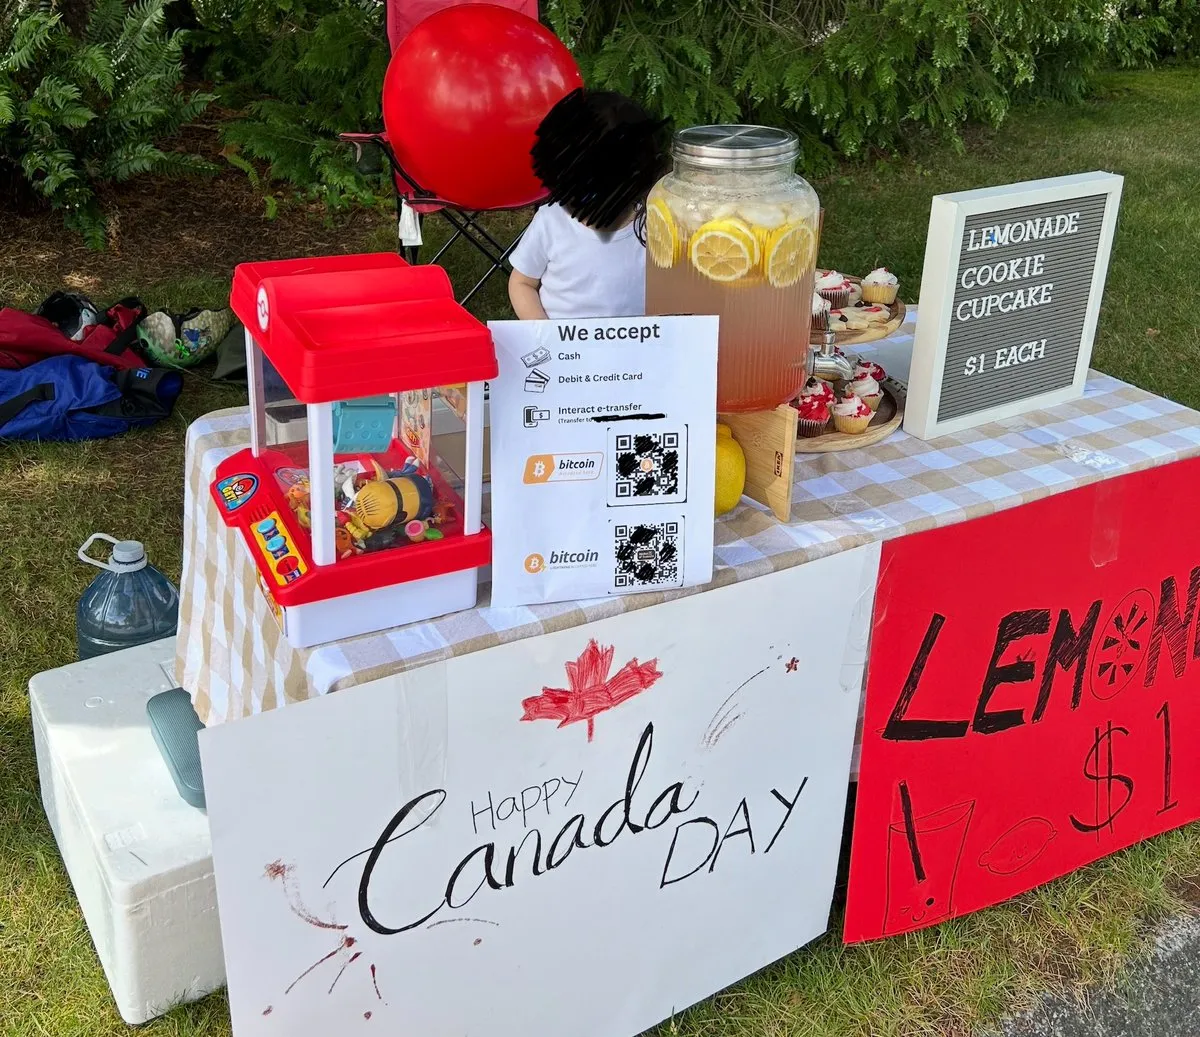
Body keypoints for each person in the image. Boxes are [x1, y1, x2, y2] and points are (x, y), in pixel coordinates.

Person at [508, 89, 671, 321]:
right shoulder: (551, 221)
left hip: (636, 349)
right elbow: (522, 282)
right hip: (567, 351)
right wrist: (543, 331)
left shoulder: (653, 224)